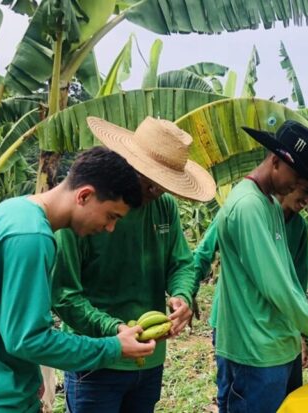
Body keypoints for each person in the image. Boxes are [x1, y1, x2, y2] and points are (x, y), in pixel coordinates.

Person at [51, 116, 217, 413]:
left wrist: (181, 294)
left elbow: (181, 263)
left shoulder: (164, 207)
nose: (158, 192)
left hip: (149, 359)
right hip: (97, 359)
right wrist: (115, 331)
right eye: (151, 184)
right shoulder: (83, 214)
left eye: (165, 186)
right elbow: (65, 295)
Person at [0, 147, 156, 412]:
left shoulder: (14, 212)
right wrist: (113, 348)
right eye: (111, 216)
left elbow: (8, 323)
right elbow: (28, 340)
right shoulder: (31, 237)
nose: (110, 228)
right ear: (84, 195)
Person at [214, 120, 308, 413]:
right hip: (254, 351)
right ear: (275, 161)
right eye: (297, 178)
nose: (297, 188)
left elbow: (290, 282)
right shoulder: (247, 206)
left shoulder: (268, 205)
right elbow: (277, 287)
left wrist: (306, 332)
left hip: (274, 346)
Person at [194, 181, 308, 405]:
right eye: (305, 191)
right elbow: (203, 254)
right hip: (234, 323)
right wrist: (187, 292)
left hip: (278, 328)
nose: (307, 202)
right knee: (230, 393)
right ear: (289, 180)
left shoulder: (298, 227)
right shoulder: (246, 209)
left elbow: (297, 287)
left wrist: (301, 334)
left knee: (285, 399)